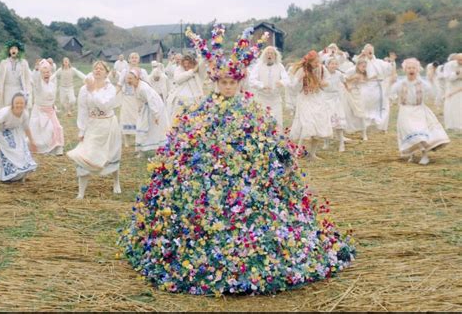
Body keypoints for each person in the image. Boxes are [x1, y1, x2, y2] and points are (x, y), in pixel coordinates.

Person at [118, 25, 355, 296]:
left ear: (239, 83)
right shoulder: (201, 112)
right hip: (207, 188)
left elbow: (270, 136)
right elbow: (186, 142)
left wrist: (285, 156)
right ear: (216, 83)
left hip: (249, 186)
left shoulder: (251, 109)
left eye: (232, 82)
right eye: (223, 82)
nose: (228, 87)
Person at [67, 61, 122, 199]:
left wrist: (93, 91)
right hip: (92, 125)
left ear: (106, 72)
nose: (98, 70)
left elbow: (105, 105)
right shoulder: (84, 89)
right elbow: (83, 110)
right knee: (84, 155)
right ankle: (81, 193)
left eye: (101, 69)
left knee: (111, 155)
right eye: (95, 68)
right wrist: (82, 130)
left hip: (108, 124)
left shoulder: (110, 89)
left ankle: (116, 182)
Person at [389, 58, 450, 165]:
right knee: (409, 131)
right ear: (405, 70)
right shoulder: (401, 83)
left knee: (421, 132)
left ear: (417, 70)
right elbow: (391, 93)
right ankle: (412, 154)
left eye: (413, 68)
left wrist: (431, 81)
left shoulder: (421, 83)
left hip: (419, 110)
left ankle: (424, 155)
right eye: (409, 68)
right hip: (405, 110)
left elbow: (432, 94)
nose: (411, 70)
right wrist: (391, 83)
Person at [289, 50, 332, 160]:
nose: (317, 64)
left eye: (318, 61)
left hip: (318, 98)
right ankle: (298, 151)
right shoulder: (302, 71)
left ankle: (312, 154)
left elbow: (328, 82)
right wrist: (299, 79)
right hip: (305, 98)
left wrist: (322, 83)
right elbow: (294, 87)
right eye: (315, 62)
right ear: (309, 62)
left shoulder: (322, 69)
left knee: (318, 124)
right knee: (308, 123)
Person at [0, 93, 37, 182]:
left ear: (25, 104)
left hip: (13, 134)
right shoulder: (5, 113)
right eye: (17, 103)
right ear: (12, 104)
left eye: (21, 103)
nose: (19, 105)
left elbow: (26, 127)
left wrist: (32, 141)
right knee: (0, 157)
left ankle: (18, 172)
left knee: (19, 153)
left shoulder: (25, 114)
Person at [126, 69, 169, 157]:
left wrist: (156, 116)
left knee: (155, 129)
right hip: (147, 107)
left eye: (130, 78)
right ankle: (141, 150)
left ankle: (159, 150)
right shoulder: (136, 86)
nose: (128, 81)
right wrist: (140, 107)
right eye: (127, 79)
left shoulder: (143, 88)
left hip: (155, 107)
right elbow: (138, 99)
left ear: (137, 78)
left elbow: (152, 101)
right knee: (141, 126)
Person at [249, 46, 290, 132]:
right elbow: (251, 80)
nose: (269, 55)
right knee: (262, 122)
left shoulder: (280, 66)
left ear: (275, 55)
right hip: (262, 99)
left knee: (277, 122)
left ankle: (277, 141)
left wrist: (281, 82)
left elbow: (286, 79)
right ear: (264, 55)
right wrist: (262, 85)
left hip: (275, 99)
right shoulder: (258, 66)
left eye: (271, 53)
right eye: (267, 53)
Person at [29, 59, 64, 155]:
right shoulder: (38, 83)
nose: (46, 74)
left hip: (50, 111)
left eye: (48, 72)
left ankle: (58, 148)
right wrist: (36, 70)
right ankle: (40, 147)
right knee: (38, 132)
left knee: (57, 128)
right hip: (39, 111)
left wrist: (51, 64)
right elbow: (35, 78)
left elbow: (54, 72)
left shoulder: (52, 82)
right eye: (44, 72)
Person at [117, 52, 148, 147]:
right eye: (132, 57)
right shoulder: (124, 71)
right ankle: (127, 140)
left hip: (138, 98)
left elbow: (146, 85)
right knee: (126, 119)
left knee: (138, 119)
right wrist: (112, 94)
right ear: (129, 60)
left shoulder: (142, 71)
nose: (134, 59)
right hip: (127, 98)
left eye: (136, 57)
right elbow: (119, 84)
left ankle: (138, 140)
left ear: (138, 60)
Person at [0, 40, 32, 111]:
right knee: (6, 109)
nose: (13, 50)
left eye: (15, 48)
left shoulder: (24, 63)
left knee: (17, 108)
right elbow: (0, 78)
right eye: (11, 49)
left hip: (19, 90)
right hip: (6, 90)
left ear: (19, 51)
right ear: (9, 51)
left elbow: (27, 79)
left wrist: (27, 91)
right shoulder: (3, 63)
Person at [166, 54, 205, 120]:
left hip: (195, 99)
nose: (186, 65)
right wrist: (191, 71)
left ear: (193, 63)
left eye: (188, 63)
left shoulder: (197, 70)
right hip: (180, 100)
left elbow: (203, 64)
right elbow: (178, 79)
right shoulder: (179, 69)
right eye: (184, 63)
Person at [322, 57, 347, 152]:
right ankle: (326, 141)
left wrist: (348, 88)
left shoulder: (339, 74)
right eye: (331, 64)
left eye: (335, 64)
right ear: (327, 65)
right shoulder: (324, 74)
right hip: (325, 98)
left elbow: (345, 81)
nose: (334, 66)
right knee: (326, 122)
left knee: (338, 123)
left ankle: (341, 143)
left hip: (336, 99)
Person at [342, 59, 368, 140]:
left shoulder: (364, 72)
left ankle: (364, 134)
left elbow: (365, 81)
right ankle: (344, 132)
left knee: (361, 113)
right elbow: (344, 79)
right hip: (350, 92)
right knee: (347, 112)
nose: (364, 68)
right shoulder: (351, 70)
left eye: (365, 67)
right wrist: (352, 80)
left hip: (359, 93)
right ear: (358, 65)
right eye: (363, 66)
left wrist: (361, 80)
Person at [443, 53, 462, 131]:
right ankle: (451, 126)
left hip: (460, 88)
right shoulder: (449, 65)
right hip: (452, 88)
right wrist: (456, 74)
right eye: (460, 60)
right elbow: (447, 78)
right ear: (456, 59)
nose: (461, 62)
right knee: (451, 107)